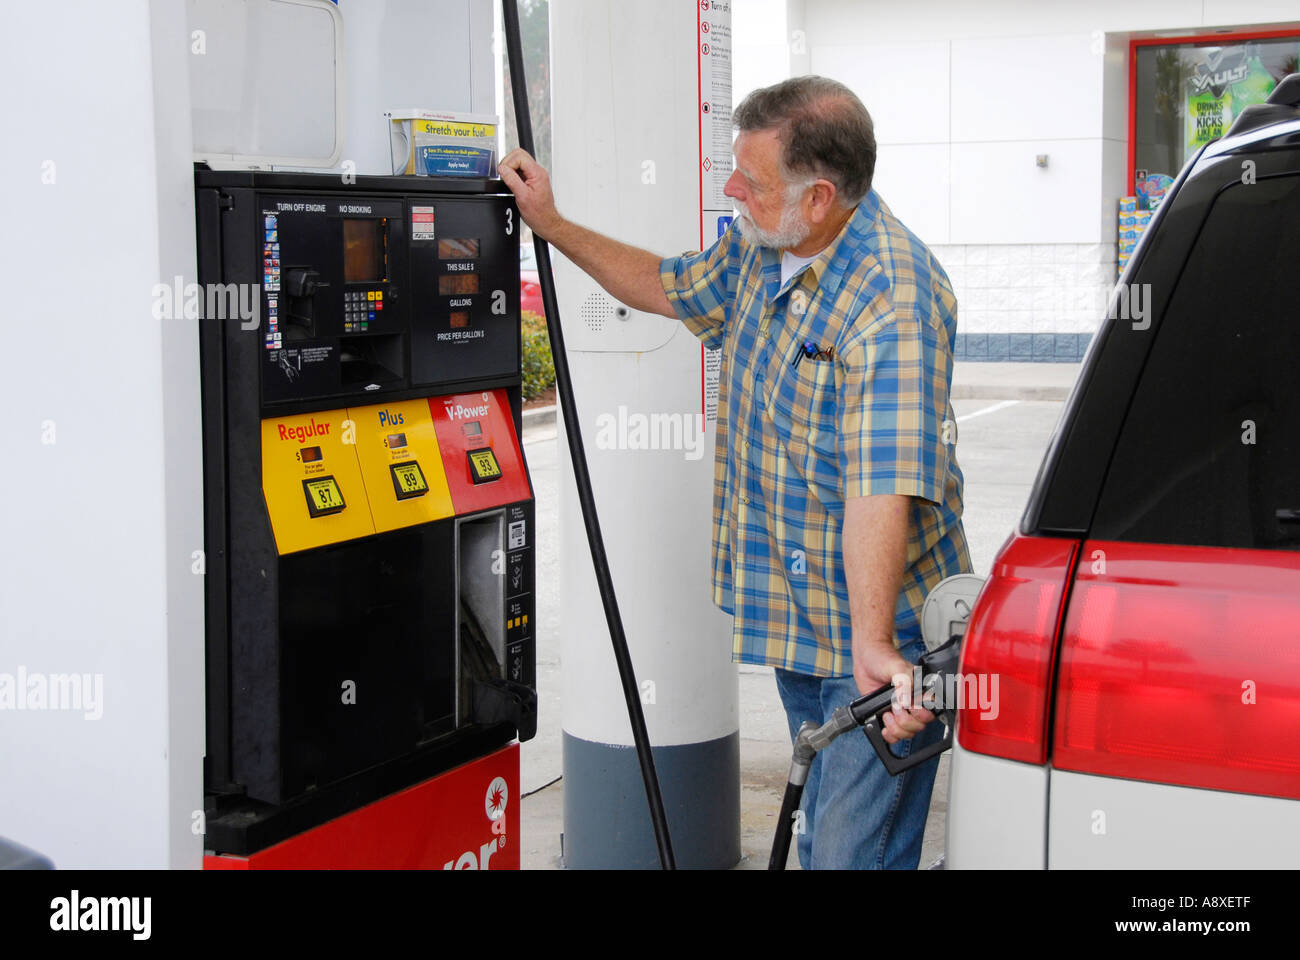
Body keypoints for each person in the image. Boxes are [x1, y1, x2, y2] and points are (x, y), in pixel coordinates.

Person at [499, 75, 972, 870]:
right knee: (824, 830)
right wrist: (550, 224)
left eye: (749, 182)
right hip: (801, 614)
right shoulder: (763, 248)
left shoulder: (893, 302)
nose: (730, 190)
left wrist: (870, 645)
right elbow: (665, 283)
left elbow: (879, 485)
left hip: (876, 637)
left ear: (819, 197)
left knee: (851, 857)